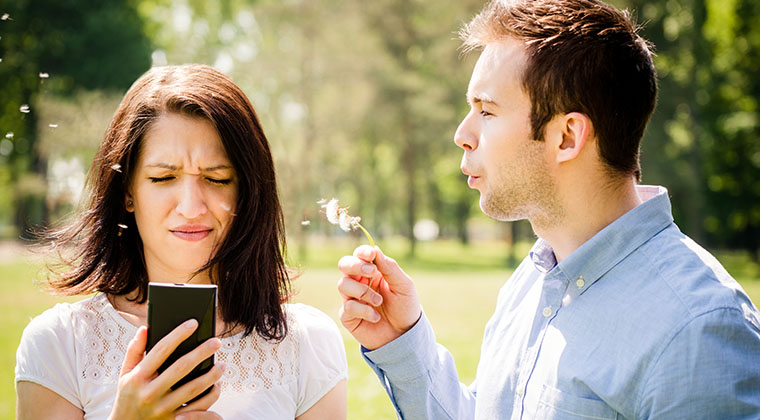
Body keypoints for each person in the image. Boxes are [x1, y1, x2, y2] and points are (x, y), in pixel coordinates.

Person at [337, 0, 760, 419]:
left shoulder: (697, 329)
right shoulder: (533, 280)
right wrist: (402, 339)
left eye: (486, 111)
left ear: (566, 137)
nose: (461, 135)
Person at [16, 64, 347, 420]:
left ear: (246, 192)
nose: (191, 207)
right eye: (163, 177)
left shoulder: (307, 343)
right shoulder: (59, 344)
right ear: (128, 191)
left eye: (217, 179)